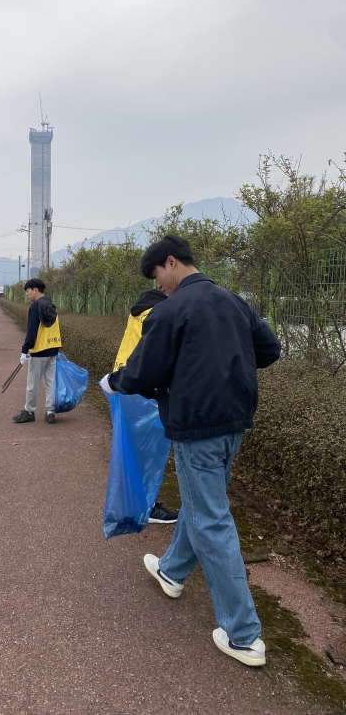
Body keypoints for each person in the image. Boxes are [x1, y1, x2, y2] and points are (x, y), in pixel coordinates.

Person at [100, 235, 281, 667]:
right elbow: (270, 349)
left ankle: (242, 635)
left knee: (211, 520)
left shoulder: (171, 310)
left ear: (171, 262)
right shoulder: (233, 300)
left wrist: (115, 381)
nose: (158, 285)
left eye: (156, 275)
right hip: (234, 422)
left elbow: (144, 372)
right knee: (203, 506)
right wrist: (225, 364)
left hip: (195, 427)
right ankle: (172, 570)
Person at [113, 287, 179, 525]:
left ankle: (134, 503)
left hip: (124, 382)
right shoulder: (160, 311)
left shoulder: (140, 309)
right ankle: (146, 508)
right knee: (148, 452)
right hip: (142, 388)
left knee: (134, 450)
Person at [12, 278, 62, 425]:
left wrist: (24, 350)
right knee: (50, 382)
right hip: (53, 349)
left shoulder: (35, 307)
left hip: (39, 351)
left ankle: (29, 411)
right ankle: (51, 412)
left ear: (35, 290)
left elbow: (32, 331)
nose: (26, 294)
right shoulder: (51, 305)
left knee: (33, 384)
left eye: (27, 291)